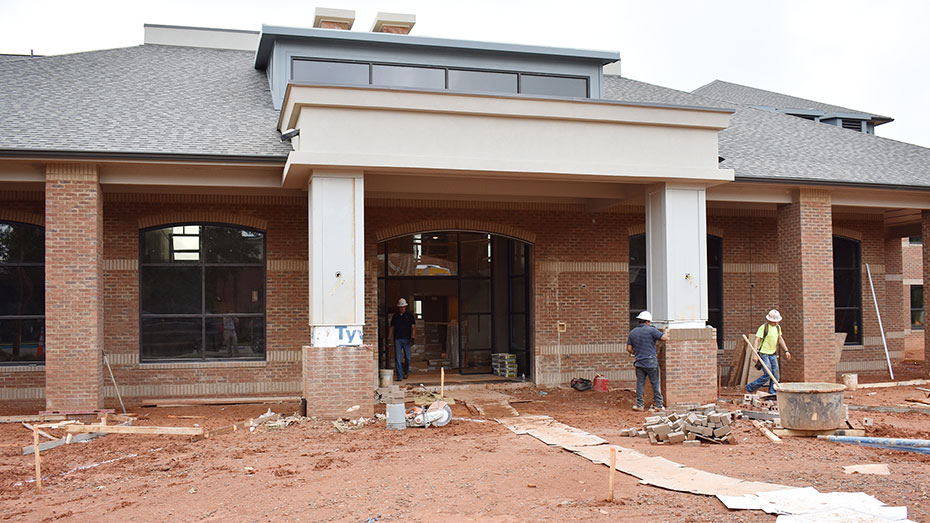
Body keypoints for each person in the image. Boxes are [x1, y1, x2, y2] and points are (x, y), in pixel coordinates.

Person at [627, 310, 668, 411]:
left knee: (640, 383)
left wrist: (637, 353)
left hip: (639, 362)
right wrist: (665, 332)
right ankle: (658, 404)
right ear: (647, 321)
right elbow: (664, 338)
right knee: (655, 383)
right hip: (651, 362)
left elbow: (629, 349)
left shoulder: (632, 332)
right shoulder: (651, 330)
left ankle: (639, 405)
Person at [746, 309, 791, 395]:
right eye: (774, 321)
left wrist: (786, 350)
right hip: (764, 354)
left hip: (773, 354)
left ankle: (772, 392)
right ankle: (750, 387)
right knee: (768, 374)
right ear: (769, 320)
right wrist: (755, 354)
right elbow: (757, 340)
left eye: (777, 321)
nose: (776, 322)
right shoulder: (764, 328)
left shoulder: (778, 328)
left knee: (776, 375)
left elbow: (780, 339)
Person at [389, 298, 416, 381]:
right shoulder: (395, 316)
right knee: (398, 358)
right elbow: (392, 327)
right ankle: (399, 376)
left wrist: (413, 337)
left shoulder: (410, 316)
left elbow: (413, 327)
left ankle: (406, 372)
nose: (402, 308)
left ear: (405, 307)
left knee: (408, 357)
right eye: (400, 307)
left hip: (407, 339)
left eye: (403, 307)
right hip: (397, 339)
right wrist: (389, 337)